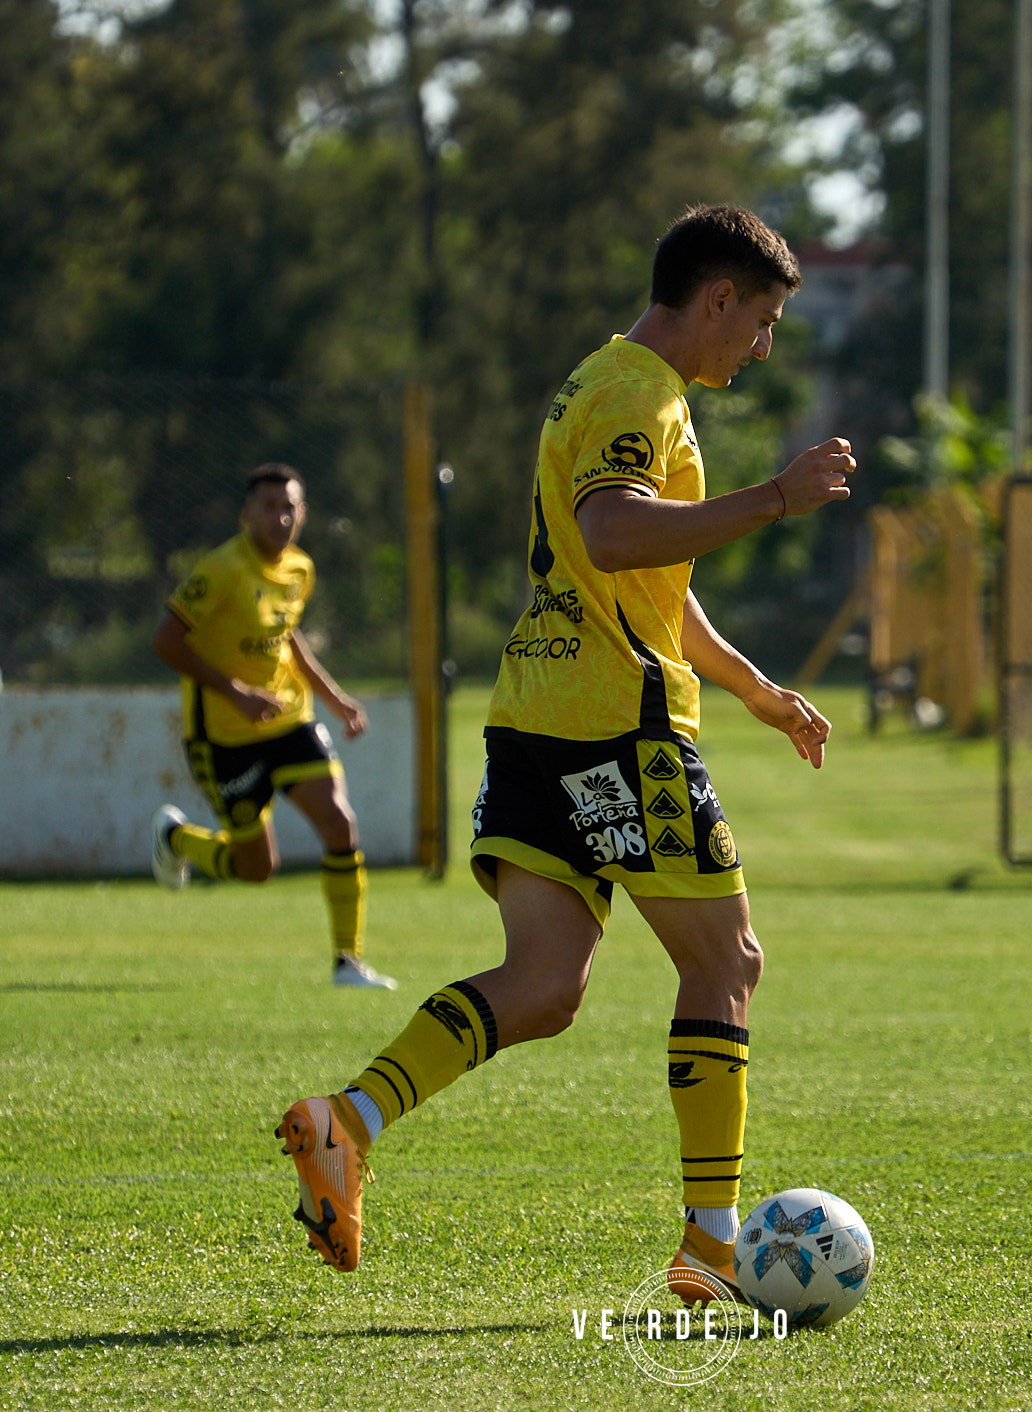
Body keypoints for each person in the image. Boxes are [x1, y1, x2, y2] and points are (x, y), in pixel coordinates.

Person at [272, 204, 855, 1301]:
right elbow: (613, 529)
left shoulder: (592, 379)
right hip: (617, 728)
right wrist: (775, 497)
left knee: (541, 986)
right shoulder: (642, 395)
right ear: (715, 297)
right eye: (762, 319)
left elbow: (637, 584)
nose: (763, 345)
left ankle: (346, 1120)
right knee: (724, 963)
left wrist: (758, 692)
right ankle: (713, 1251)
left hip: (534, 715)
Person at [148, 464, 394, 990]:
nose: (280, 517)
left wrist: (335, 699)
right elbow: (166, 642)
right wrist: (234, 692)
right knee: (256, 868)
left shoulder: (300, 569)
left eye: (290, 507)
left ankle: (347, 962)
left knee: (339, 823)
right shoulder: (220, 571)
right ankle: (177, 840)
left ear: (302, 514)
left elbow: (289, 638)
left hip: (288, 720)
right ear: (246, 514)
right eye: (268, 507)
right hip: (224, 736)